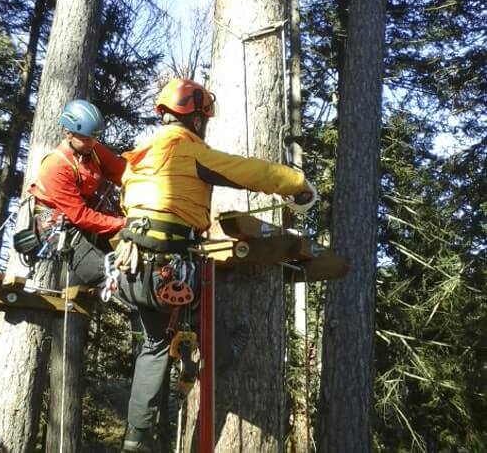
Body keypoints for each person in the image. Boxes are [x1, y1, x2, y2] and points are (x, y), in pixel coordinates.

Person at [117, 78, 317, 453]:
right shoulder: (189, 150)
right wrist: (296, 184)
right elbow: (246, 170)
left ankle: (135, 439)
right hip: (169, 269)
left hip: (132, 269)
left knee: (153, 346)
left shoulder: (139, 157)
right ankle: (223, 353)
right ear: (196, 120)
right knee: (208, 323)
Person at [26, 99, 126, 285]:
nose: (92, 142)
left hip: (82, 218)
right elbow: (79, 215)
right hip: (53, 223)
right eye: (87, 137)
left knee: (124, 256)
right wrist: (122, 223)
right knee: (102, 272)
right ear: (68, 132)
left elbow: (122, 172)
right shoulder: (56, 165)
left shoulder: (94, 150)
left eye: (95, 137)